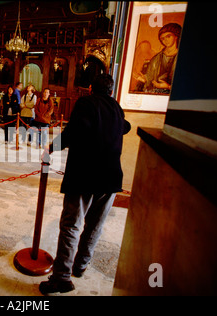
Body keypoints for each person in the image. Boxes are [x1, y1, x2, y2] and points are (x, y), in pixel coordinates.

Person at [39, 74, 131, 295]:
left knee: (71, 224)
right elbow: (126, 127)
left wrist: (51, 147)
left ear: (90, 88)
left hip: (84, 176)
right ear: (111, 90)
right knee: (94, 225)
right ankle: (80, 266)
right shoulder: (117, 109)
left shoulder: (86, 103)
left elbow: (72, 132)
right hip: (110, 178)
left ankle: (61, 278)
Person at [133, 23, 182, 94]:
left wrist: (168, 87)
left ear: (176, 36)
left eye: (168, 36)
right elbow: (150, 78)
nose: (165, 40)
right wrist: (144, 79)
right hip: (156, 94)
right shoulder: (156, 58)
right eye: (162, 38)